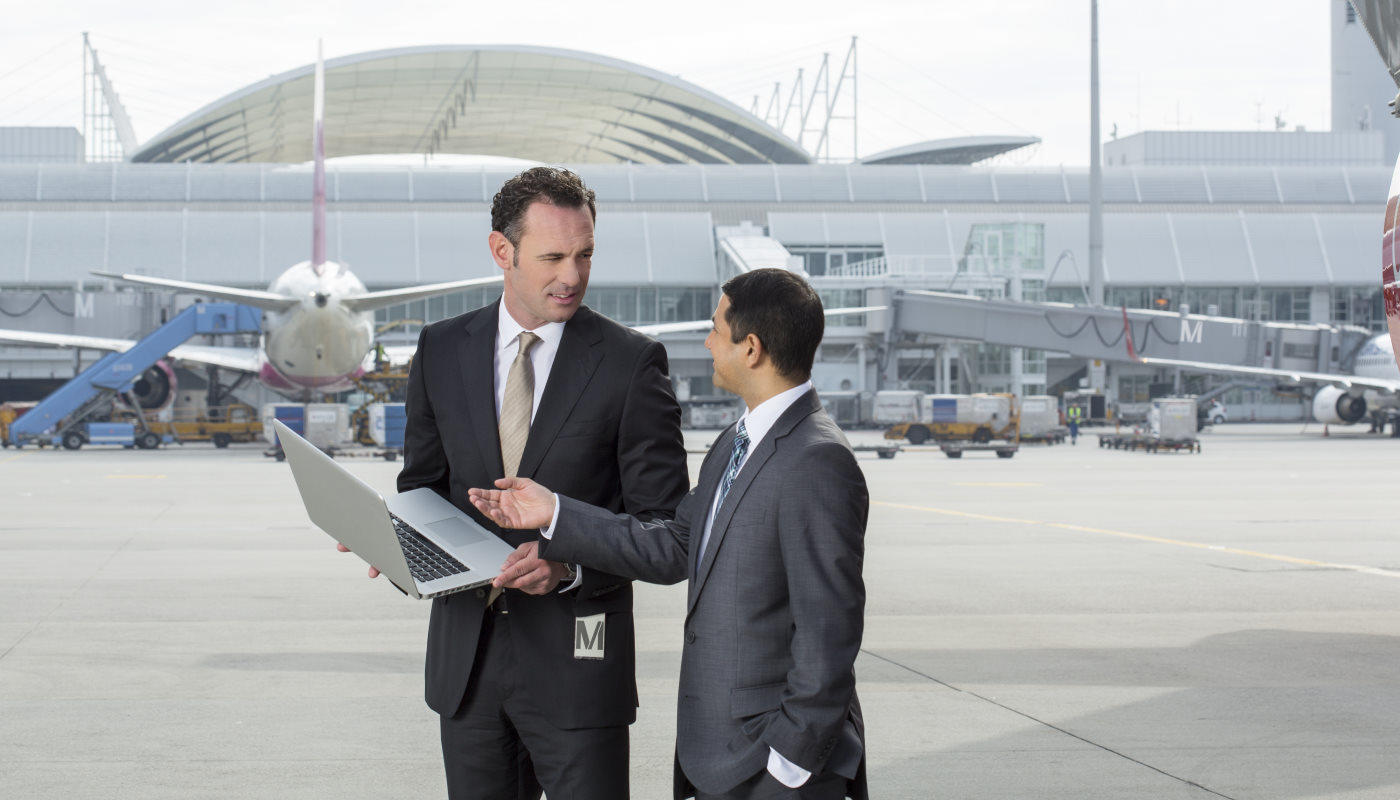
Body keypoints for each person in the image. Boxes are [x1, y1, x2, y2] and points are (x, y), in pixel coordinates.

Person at [342, 166, 690, 799]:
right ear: (501, 250)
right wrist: (391, 542)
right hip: (465, 668)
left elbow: (666, 531)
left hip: (579, 667)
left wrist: (568, 568)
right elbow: (423, 489)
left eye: (585, 254)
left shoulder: (631, 364)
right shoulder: (441, 350)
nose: (573, 275)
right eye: (553, 256)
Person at [470, 268, 869, 800]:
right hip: (717, 757)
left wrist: (788, 768)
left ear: (750, 348)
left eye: (714, 328)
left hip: (774, 767)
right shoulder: (735, 442)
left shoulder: (816, 460)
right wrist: (555, 512)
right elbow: (674, 546)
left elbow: (829, 635)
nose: (706, 341)